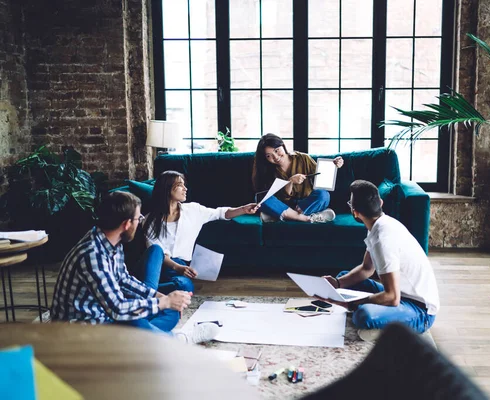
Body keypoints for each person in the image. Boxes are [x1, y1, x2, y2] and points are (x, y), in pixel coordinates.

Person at [51, 191, 218, 343]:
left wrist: (160, 297)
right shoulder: (92, 255)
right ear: (126, 224)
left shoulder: (110, 241)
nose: (140, 223)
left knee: (170, 311)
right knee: (133, 318)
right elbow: (118, 309)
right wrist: (165, 301)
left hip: (106, 315)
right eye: (139, 219)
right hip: (80, 333)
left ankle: (147, 341)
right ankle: (177, 341)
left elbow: (124, 280)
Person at [321, 180, 440, 342]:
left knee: (363, 314)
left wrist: (350, 304)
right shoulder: (380, 225)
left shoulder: (383, 239)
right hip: (402, 295)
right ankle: (375, 316)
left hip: (421, 311)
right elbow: (366, 269)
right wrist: (337, 283)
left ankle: (383, 330)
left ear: (355, 212)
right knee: (344, 278)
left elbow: (392, 297)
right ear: (380, 203)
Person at [143, 170, 258, 294]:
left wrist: (243, 209)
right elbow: (156, 252)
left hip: (181, 267)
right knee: (156, 256)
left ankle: (146, 291)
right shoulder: (149, 220)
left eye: (184, 185)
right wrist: (177, 267)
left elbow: (220, 213)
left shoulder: (193, 210)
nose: (185, 189)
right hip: (156, 266)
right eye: (180, 185)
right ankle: (149, 290)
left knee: (185, 286)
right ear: (167, 188)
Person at [252, 133, 343, 223]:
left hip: (307, 203)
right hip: (282, 205)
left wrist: (333, 165)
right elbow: (269, 195)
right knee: (261, 198)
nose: (275, 157)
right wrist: (290, 182)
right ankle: (307, 218)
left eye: (276, 150)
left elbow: (321, 177)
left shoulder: (303, 158)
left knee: (323, 195)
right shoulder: (267, 169)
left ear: (283, 146)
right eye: (269, 155)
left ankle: (281, 216)